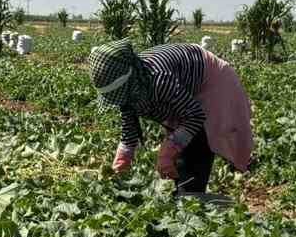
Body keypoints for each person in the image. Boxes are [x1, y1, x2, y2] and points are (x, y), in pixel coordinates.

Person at [87, 40, 254, 196]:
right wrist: (121, 163)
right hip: (183, 86)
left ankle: (191, 199)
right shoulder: (131, 87)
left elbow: (195, 116)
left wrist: (168, 151)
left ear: (129, 83)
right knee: (180, 151)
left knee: (196, 146)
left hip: (212, 82)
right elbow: (129, 127)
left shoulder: (158, 79)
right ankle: (181, 195)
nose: (119, 100)